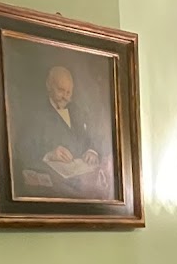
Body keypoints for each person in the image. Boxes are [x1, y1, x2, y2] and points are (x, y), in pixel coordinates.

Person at [12, 64, 110, 199]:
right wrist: (49, 154)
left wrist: (92, 150)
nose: (65, 97)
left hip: (83, 183)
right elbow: (21, 149)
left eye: (68, 92)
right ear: (49, 86)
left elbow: (93, 138)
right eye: (61, 90)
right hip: (54, 188)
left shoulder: (78, 111)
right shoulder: (35, 114)